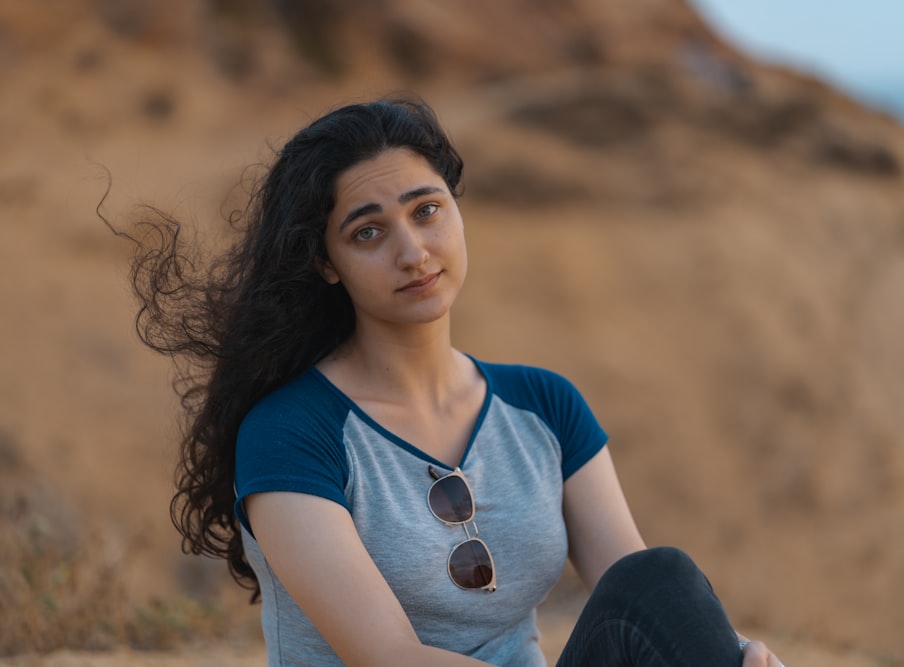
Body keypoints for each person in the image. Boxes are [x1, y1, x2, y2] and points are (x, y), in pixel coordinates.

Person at [114, 97, 785, 666]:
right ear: (327, 263)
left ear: (457, 212)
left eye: (426, 210)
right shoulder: (291, 431)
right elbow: (390, 658)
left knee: (660, 577)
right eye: (369, 231)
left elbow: (635, 595)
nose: (412, 251)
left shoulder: (543, 404)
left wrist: (730, 651)